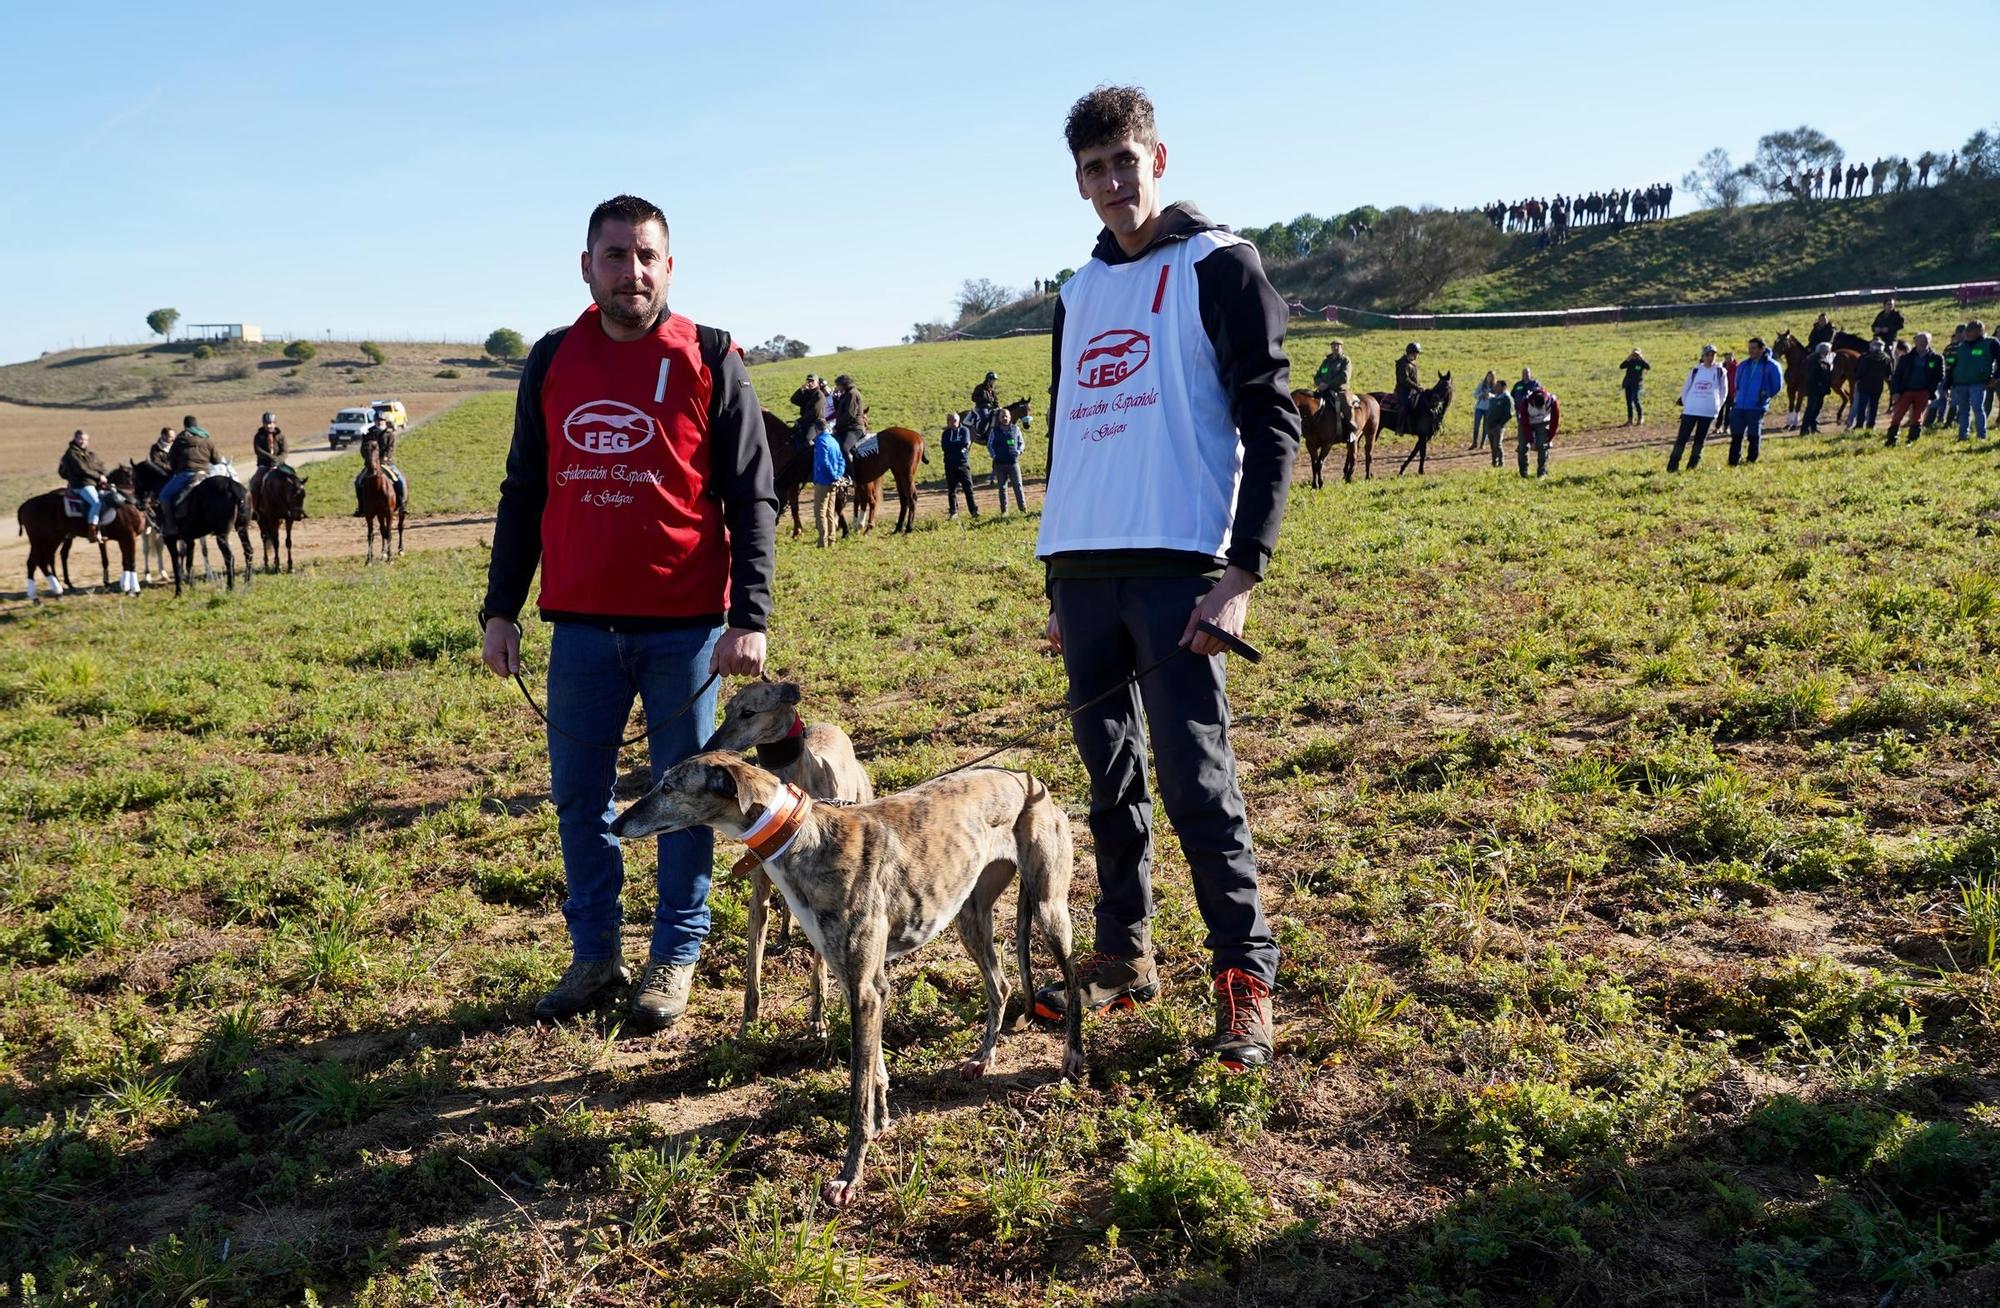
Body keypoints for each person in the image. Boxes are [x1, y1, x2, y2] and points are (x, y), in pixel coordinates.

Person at [1032, 85, 1299, 1072]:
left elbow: (1270, 423)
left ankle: (1243, 976)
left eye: (1124, 162)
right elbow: (1071, 439)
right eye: (1093, 170)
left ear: (1158, 159)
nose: (1111, 183)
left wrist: (1241, 574)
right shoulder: (1076, 292)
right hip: (1083, 574)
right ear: (1078, 182)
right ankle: (1121, 954)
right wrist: (1054, 582)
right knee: (1107, 783)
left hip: (1181, 572)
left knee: (1195, 780)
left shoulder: (1218, 265)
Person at [479, 193, 777, 1030]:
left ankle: (675, 954)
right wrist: (500, 609)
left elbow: (754, 495)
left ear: (669, 267)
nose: (632, 272)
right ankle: (594, 954)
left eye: (646, 256)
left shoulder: (710, 357)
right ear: (587, 266)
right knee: (580, 799)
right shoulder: (550, 361)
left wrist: (747, 614)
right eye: (615, 256)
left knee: (686, 800)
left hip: (686, 634)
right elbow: (522, 491)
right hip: (576, 629)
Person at [1667, 345, 1727, 471]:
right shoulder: (1695, 371)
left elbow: (1724, 392)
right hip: (1691, 410)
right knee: (1682, 438)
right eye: (1707, 355)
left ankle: (1692, 466)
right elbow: (1686, 389)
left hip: (1708, 411)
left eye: (1712, 355)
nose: (1710, 358)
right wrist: (1686, 403)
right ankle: (1673, 466)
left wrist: (1717, 406)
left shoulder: (1720, 372)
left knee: (1699, 440)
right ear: (1702, 357)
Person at [1727, 337, 1785, 466]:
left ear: (1762, 349)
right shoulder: (1743, 365)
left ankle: (1751, 459)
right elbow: (1737, 383)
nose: (1750, 351)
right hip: (1740, 405)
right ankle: (1733, 461)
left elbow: (1777, 385)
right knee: (1736, 435)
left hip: (1756, 406)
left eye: (1753, 348)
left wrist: (1765, 397)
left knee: (1753, 434)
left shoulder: (1772, 366)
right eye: (1749, 348)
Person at [160, 414, 219, 530]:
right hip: (205, 475)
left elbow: (172, 460)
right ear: (196, 425)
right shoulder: (207, 440)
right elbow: (216, 460)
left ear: (185, 425)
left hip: (186, 475)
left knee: (164, 495)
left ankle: (170, 526)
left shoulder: (180, 440)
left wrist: (175, 469)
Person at [1885, 332, 1942, 446]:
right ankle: (1892, 439)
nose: (1922, 343)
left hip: (1923, 391)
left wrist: (1931, 390)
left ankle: (1912, 440)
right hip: (1906, 391)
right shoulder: (1906, 358)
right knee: (1898, 415)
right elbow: (1897, 376)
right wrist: (1895, 392)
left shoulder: (1936, 358)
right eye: (1920, 340)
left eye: (1925, 340)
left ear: (1929, 342)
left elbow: (1940, 375)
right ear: (1915, 342)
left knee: (1917, 416)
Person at [58, 429, 110, 543]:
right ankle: (92, 532)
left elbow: (101, 466)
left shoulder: (89, 453)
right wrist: (98, 477)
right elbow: (83, 469)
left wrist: (104, 475)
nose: (83, 441)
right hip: (82, 484)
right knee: (96, 502)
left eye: (85, 439)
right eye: (80, 439)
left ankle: (103, 529)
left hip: (93, 483)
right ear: (75, 439)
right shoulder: (72, 454)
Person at [1949, 319, 1996, 441]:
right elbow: (1953, 366)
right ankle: (1963, 435)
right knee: (1963, 411)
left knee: (1978, 408)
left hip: (1978, 383)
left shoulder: (1990, 343)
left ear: (1980, 331)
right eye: (1967, 330)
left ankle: (1981, 435)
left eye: (1972, 331)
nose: (1968, 333)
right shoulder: (1961, 347)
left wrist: (1995, 377)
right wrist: (1947, 384)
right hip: (1960, 383)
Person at [353, 416, 407, 515]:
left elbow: (390, 448)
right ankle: (361, 507)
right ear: (374, 421)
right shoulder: (369, 434)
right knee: (358, 482)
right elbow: (363, 448)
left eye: (381, 420)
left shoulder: (390, 434)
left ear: (385, 421)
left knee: (401, 480)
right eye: (378, 420)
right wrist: (368, 459)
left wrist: (384, 459)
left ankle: (403, 505)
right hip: (371, 464)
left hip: (386, 463)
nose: (379, 422)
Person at [809, 417, 844, 546]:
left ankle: (822, 541)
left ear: (816, 429)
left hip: (823, 480)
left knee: (820, 511)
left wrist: (833, 476)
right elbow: (841, 460)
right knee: (830, 511)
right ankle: (831, 539)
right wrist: (838, 475)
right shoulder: (833, 441)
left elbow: (824, 462)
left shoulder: (820, 441)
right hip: (833, 482)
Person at [940, 411, 980, 519]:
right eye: (950, 421)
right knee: (951, 490)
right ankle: (953, 512)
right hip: (950, 464)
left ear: (959, 421)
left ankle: (973, 511)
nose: (953, 423)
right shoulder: (945, 433)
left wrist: (954, 446)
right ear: (947, 422)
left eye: (955, 421)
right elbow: (945, 447)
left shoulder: (964, 430)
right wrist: (958, 445)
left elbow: (965, 443)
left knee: (968, 489)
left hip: (963, 464)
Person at [1516, 380, 1558, 477]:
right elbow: (1525, 424)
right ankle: (1524, 472)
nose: (1539, 410)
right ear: (1533, 401)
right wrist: (1531, 441)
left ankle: (1542, 472)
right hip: (1526, 423)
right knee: (1522, 447)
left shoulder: (1552, 401)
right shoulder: (1525, 402)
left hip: (1542, 422)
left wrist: (1550, 438)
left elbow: (1555, 421)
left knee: (1543, 446)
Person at [1847, 340, 1891, 431]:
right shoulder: (1887, 358)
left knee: (1862, 406)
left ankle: (1859, 424)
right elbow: (1888, 374)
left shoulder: (1865, 357)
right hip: (1878, 385)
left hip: (1864, 385)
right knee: (1874, 406)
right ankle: (1871, 424)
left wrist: (1857, 379)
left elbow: (1860, 371)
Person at [988, 406, 1025, 513]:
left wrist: (1019, 451)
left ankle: (1023, 508)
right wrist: (994, 456)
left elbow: (1021, 443)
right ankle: (1004, 510)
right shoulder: (994, 431)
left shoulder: (1016, 429)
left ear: (1010, 417)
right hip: (1000, 464)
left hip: (1013, 463)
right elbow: (990, 445)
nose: (1004, 418)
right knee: (1002, 488)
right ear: (999, 418)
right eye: (1002, 416)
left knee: (1018, 486)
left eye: (1006, 416)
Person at [1928, 327, 1964, 432]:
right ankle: (1943, 422)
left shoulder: (1953, 347)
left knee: (1947, 400)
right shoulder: (1955, 348)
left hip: (1952, 377)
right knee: (1949, 400)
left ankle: (1942, 421)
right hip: (1951, 377)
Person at [1799, 342, 1835, 434]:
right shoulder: (1815, 360)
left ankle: (1813, 427)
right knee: (1811, 408)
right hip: (1815, 389)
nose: (1829, 352)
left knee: (1816, 408)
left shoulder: (1819, 359)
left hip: (1820, 389)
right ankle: (1804, 429)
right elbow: (1815, 374)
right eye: (1828, 351)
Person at [251, 411, 286, 504]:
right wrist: (271, 458)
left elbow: (285, 451)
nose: (269, 426)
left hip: (279, 465)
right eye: (267, 423)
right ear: (263, 424)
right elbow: (258, 450)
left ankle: (295, 507)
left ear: (275, 423)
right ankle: (255, 507)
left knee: (294, 480)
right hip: (264, 465)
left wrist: (278, 460)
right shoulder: (259, 436)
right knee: (255, 482)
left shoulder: (280, 436)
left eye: (271, 423)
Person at [831, 374, 867, 461]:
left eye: (837, 385)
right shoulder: (846, 394)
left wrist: (837, 426)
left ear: (843, 384)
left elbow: (849, 414)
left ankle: (851, 473)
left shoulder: (852, 394)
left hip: (854, 428)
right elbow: (840, 411)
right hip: (847, 427)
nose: (837, 388)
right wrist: (835, 398)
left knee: (844, 448)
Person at [1482, 377, 1513, 468]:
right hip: (1490, 425)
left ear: (1503, 387)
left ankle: (1501, 462)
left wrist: (1500, 424)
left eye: (1498, 386)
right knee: (1492, 446)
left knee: (1497, 445)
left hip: (1498, 426)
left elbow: (1509, 414)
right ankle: (1494, 462)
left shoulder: (1506, 398)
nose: (1495, 387)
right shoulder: (1495, 397)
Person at [788, 374, 824, 445]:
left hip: (814, 423)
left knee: (808, 439)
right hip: (804, 421)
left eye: (812, 381)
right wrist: (800, 390)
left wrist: (800, 420)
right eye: (808, 381)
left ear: (817, 382)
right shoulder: (806, 393)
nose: (810, 383)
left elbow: (815, 412)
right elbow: (793, 400)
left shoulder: (819, 395)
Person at [1393, 342, 1422, 427]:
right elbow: (1405, 380)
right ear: (1412, 353)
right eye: (1417, 353)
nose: (1418, 355)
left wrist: (1419, 386)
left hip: (1412, 389)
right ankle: (1400, 426)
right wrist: (1417, 387)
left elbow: (1414, 379)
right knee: (1406, 405)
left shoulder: (1412, 363)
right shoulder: (1403, 364)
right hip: (1403, 390)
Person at [1618, 348, 1650, 426]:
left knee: (1636, 399)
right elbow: (1621, 366)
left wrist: (1642, 359)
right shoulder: (1630, 361)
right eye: (1634, 354)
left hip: (1637, 384)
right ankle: (1630, 420)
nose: (1635, 356)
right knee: (1629, 402)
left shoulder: (1641, 362)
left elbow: (1648, 367)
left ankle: (1640, 417)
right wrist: (1628, 359)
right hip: (1628, 383)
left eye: (1637, 354)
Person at [1469, 368, 1496, 448]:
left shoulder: (1494, 387)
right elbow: (1475, 394)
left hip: (1488, 408)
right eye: (1488, 376)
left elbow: (1497, 396)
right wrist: (1481, 395)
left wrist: (1490, 395)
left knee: (1485, 426)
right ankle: (1474, 443)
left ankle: (1482, 443)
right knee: (1476, 425)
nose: (1489, 378)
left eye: (1491, 377)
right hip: (1479, 407)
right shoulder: (1481, 385)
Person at [970, 369, 1000, 434]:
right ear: (988, 379)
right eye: (993, 380)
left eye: (995, 380)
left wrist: (998, 407)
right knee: (985, 418)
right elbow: (973, 398)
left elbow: (995, 400)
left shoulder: (992, 389)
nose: (994, 382)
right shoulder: (979, 387)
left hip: (991, 408)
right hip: (982, 407)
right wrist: (984, 400)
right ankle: (980, 433)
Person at [1719, 350, 1738, 429]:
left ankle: (1726, 427)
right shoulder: (1721, 367)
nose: (1728, 360)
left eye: (1730, 358)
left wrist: (1736, 392)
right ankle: (1717, 426)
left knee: (1728, 411)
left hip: (1731, 392)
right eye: (1726, 358)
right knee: (1720, 410)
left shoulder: (1736, 368)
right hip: (1722, 391)